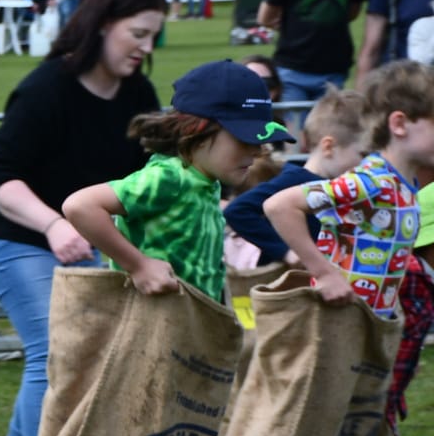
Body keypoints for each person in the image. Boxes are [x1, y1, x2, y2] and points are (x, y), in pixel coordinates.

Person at [0, 0, 166, 436]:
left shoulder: (138, 94)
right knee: (56, 350)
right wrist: (53, 224)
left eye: (153, 38)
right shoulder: (44, 90)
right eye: (138, 34)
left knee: (74, 348)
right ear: (103, 25)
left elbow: (143, 177)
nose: (146, 48)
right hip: (15, 229)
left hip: (79, 233)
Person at [63, 61, 293, 305]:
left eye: (261, 139)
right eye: (245, 139)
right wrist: (139, 265)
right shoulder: (169, 178)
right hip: (152, 323)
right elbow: (80, 206)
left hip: (193, 326)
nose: (257, 151)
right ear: (198, 130)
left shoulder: (207, 181)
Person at [266, 60, 434, 316]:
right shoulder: (370, 181)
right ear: (399, 124)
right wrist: (324, 274)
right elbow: (279, 206)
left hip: (371, 330)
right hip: (337, 326)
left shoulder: (405, 185)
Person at [225, 87, 366, 263]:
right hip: (289, 283)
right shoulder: (295, 180)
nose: (368, 164)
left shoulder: (343, 186)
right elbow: (238, 210)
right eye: (363, 155)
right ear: (329, 147)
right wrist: (287, 252)